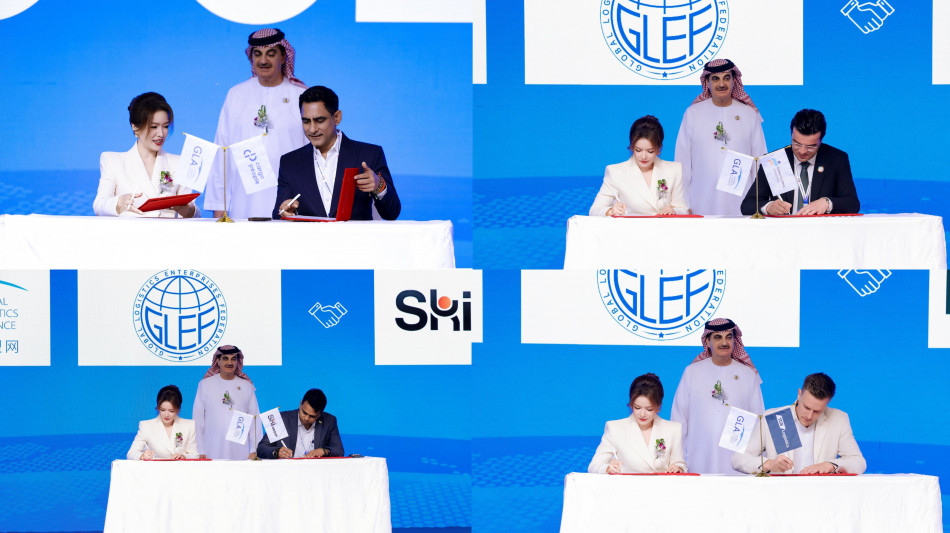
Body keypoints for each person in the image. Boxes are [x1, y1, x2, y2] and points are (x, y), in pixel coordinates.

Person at [204, 28, 308, 219]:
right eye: (257, 54)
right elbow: (221, 153)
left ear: (283, 56)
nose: (263, 60)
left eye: (271, 54)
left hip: (291, 203)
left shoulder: (301, 96)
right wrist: (219, 205)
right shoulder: (236, 95)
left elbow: (313, 154)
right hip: (244, 202)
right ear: (251, 58)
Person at [273, 86, 401, 220]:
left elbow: (392, 213)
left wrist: (379, 186)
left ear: (337, 117)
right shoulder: (289, 162)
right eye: (306, 121)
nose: (312, 129)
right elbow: (278, 214)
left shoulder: (370, 154)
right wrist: (285, 211)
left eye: (319, 120)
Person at [670, 318, 764, 474]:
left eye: (729, 337)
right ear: (708, 341)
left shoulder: (748, 375)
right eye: (718, 337)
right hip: (698, 457)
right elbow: (679, 419)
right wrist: (677, 461)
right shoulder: (692, 373)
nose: (724, 342)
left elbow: (758, 421)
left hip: (738, 464)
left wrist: (758, 463)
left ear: (734, 341)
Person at [674, 59, 767, 216]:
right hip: (701, 201)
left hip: (742, 203)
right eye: (715, 79)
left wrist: (760, 202)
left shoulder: (750, 115)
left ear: (734, 81)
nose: (721, 84)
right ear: (707, 82)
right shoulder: (693, 114)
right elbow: (682, 162)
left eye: (726, 78)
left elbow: (759, 161)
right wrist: (683, 204)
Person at [732, 373, 866, 474]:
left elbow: (859, 462)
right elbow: (737, 459)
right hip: (780, 495)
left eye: (817, 411)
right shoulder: (775, 417)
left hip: (821, 495)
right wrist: (768, 464)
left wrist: (831, 465)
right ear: (799, 394)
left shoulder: (839, 419)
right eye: (806, 407)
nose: (809, 416)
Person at [93, 92, 199, 218]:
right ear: (135, 127)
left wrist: (189, 210)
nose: (161, 134)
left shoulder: (179, 163)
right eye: (154, 127)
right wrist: (118, 203)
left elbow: (194, 215)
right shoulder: (113, 161)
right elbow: (99, 205)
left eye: (165, 126)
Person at [740, 109, 860, 216]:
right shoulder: (774, 160)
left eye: (810, 146)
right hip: (783, 230)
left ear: (821, 140)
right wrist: (768, 207)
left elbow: (853, 203)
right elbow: (747, 205)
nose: (802, 151)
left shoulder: (836, 159)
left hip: (822, 230)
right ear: (791, 135)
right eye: (796, 144)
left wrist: (827, 203)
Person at [589, 115, 688, 216]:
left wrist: (673, 211)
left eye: (650, 151)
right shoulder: (616, 172)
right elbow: (595, 210)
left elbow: (683, 209)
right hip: (631, 226)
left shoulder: (673, 170)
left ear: (659, 149)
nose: (643, 156)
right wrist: (611, 211)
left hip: (665, 226)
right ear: (632, 147)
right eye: (638, 150)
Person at [588, 373, 686, 474]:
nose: (642, 414)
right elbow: (594, 465)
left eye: (649, 409)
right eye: (637, 408)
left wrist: (678, 468)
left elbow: (680, 464)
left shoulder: (673, 429)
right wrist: (608, 468)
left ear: (658, 407)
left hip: (662, 484)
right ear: (631, 404)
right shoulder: (615, 428)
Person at [193, 345, 261, 459]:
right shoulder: (205, 385)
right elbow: (198, 420)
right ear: (218, 361)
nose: (230, 362)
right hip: (211, 449)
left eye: (233, 359)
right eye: (225, 358)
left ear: (237, 362)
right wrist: (199, 449)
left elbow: (255, 419)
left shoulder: (247, 386)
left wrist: (255, 449)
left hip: (240, 451)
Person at [258, 388, 344, 459]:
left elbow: (339, 450)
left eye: (312, 416)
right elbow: (261, 449)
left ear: (320, 414)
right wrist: (277, 452)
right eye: (304, 412)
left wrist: (323, 451)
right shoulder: (281, 419)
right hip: (286, 470)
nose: (306, 418)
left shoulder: (329, 421)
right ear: (300, 403)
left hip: (316, 471)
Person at [127, 385, 198, 460]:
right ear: (158, 408)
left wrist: (184, 457)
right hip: (156, 467)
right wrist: (142, 456)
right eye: (163, 410)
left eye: (171, 411)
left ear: (178, 409)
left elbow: (195, 455)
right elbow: (131, 454)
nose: (166, 415)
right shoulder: (146, 426)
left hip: (181, 467)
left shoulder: (189, 425)